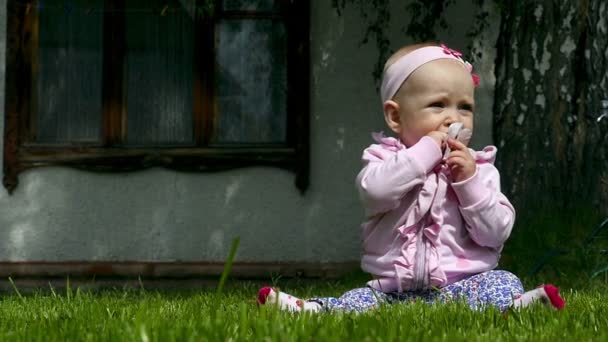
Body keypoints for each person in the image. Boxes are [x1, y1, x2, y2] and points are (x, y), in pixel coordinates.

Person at [257, 42, 565, 313]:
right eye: (438, 105)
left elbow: (495, 233)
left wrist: (468, 183)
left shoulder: (479, 168)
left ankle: (515, 308)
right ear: (395, 116)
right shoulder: (384, 158)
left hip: (465, 285)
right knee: (360, 301)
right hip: (393, 290)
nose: (454, 118)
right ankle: (312, 309)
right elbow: (375, 192)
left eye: (465, 107)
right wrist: (427, 151)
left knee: (502, 280)